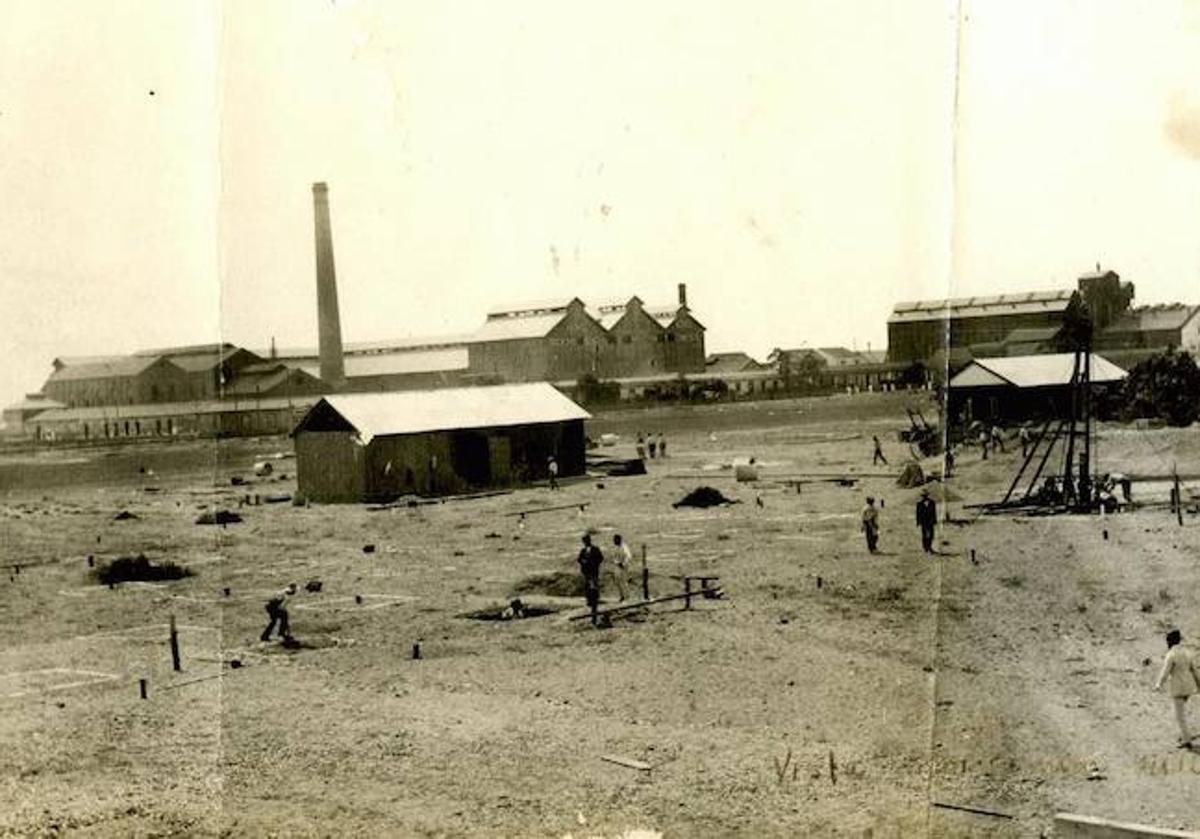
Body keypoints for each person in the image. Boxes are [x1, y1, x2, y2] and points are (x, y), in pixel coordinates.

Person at [1154, 629, 1200, 748]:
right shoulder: (1188, 652)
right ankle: (1186, 734)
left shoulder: (1171, 655)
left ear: (1170, 641)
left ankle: (1187, 740)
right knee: (1181, 712)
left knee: (1179, 716)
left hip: (1178, 688)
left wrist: (1158, 684)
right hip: (1189, 688)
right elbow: (1195, 671)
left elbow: (1165, 672)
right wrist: (1199, 685)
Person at [576, 534, 605, 625]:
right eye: (584, 541)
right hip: (586, 570)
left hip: (593, 570)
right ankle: (589, 600)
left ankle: (595, 599)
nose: (585, 543)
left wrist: (594, 563)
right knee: (588, 585)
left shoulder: (595, 549)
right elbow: (579, 559)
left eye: (586, 541)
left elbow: (600, 558)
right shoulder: (583, 550)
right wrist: (583, 562)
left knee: (594, 584)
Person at [611, 533, 632, 601]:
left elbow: (628, 556)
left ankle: (627, 596)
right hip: (617, 566)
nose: (614, 541)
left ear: (619, 540)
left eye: (615, 540)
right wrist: (616, 562)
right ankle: (622, 595)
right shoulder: (615, 547)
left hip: (623, 567)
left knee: (624, 581)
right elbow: (614, 557)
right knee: (617, 581)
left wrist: (623, 563)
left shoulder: (624, 547)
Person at [915, 489, 937, 554]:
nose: (924, 497)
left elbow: (934, 512)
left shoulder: (932, 503)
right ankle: (926, 548)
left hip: (930, 521)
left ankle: (929, 547)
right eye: (923, 496)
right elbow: (917, 514)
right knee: (924, 535)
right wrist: (918, 522)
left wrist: (934, 520)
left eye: (925, 495)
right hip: (924, 522)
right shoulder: (919, 504)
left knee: (931, 535)